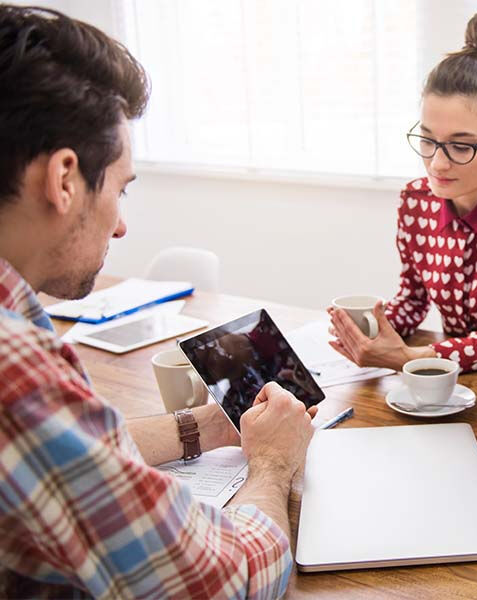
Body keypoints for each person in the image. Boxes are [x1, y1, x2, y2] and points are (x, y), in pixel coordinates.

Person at [0, 6, 315, 598]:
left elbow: (84, 451)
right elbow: (230, 582)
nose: (120, 228)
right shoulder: (12, 363)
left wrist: (206, 427)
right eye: (121, 188)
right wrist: (271, 462)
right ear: (65, 179)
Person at [329, 14, 477, 373]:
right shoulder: (415, 202)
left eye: (461, 146)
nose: (437, 164)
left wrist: (418, 358)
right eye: (427, 140)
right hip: (444, 382)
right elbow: (412, 300)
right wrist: (368, 329)